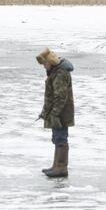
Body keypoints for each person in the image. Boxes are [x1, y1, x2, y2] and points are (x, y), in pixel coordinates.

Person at [36, 48, 74, 178]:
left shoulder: (60, 73)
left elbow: (60, 97)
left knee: (61, 138)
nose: (44, 67)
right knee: (57, 138)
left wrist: (55, 114)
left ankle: (61, 168)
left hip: (61, 114)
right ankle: (56, 166)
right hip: (57, 113)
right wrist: (45, 112)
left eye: (45, 64)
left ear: (50, 62)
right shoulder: (55, 72)